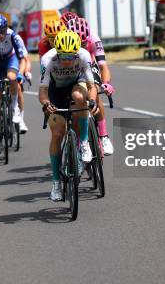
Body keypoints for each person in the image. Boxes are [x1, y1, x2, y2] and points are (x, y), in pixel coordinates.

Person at [39, 30, 98, 201]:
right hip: (55, 90)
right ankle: (56, 183)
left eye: (71, 57)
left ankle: (84, 142)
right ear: (56, 51)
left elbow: (91, 85)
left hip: (76, 83)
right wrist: (46, 104)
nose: (66, 61)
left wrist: (92, 101)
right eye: (63, 56)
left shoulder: (84, 55)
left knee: (80, 98)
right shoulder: (48, 60)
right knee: (58, 133)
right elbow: (42, 91)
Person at [66, 17, 115, 155]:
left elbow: (103, 65)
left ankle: (104, 135)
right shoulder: (64, 39)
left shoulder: (93, 38)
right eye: (78, 42)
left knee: (96, 90)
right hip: (72, 67)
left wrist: (106, 84)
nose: (81, 45)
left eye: (83, 42)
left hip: (89, 65)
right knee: (75, 102)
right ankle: (77, 142)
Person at [0, 14, 31, 153]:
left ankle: (14, 108)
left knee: (12, 77)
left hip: (10, 59)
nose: (2, 35)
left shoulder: (13, 36)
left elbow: (22, 59)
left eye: (3, 31)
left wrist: (21, 73)